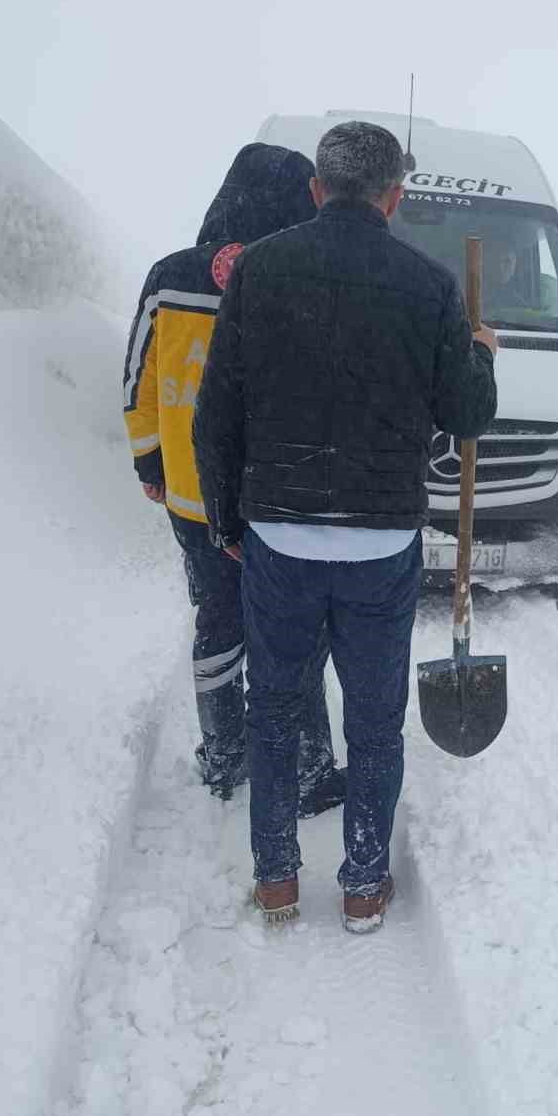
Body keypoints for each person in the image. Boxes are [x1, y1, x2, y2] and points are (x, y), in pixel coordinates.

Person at [195, 120, 498, 931]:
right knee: (373, 720)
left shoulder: (261, 270)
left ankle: (277, 882)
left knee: (273, 710)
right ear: (395, 196)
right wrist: (480, 353)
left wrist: (228, 519)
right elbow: (468, 413)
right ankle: (363, 883)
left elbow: (215, 412)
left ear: (315, 188)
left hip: (280, 538)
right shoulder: (430, 285)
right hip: (380, 546)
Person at [123, 144, 344, 814]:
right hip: (278, 499)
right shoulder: (305, 275)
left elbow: (140, 377)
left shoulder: (169, 277)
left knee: (217, 618)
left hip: (193, 498)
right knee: (296, 628)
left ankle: (224, 755)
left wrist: (150, 461)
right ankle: (309, 770)